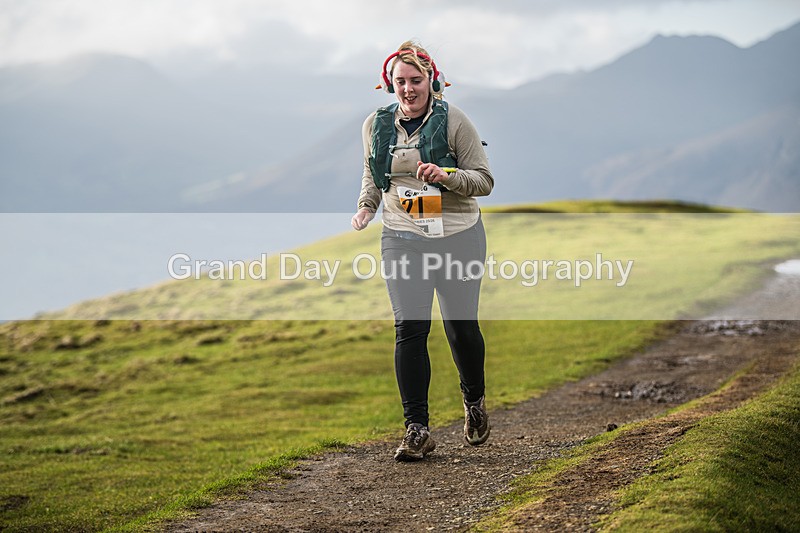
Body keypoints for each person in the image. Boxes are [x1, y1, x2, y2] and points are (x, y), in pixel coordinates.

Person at [351, 40, 494, 461]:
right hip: (402, 236)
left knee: (460, 328)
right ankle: (416, 430)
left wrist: (447, 176)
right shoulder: (375, 125)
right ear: (388, 83)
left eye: (416, 81)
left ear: (432, 81)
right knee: (409, 329)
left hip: (458, 237)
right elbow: (373, 174)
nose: (409, 90)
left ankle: (474, 402)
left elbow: (484, 181)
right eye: (400, 82)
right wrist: (365, 208)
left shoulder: (455, 122)